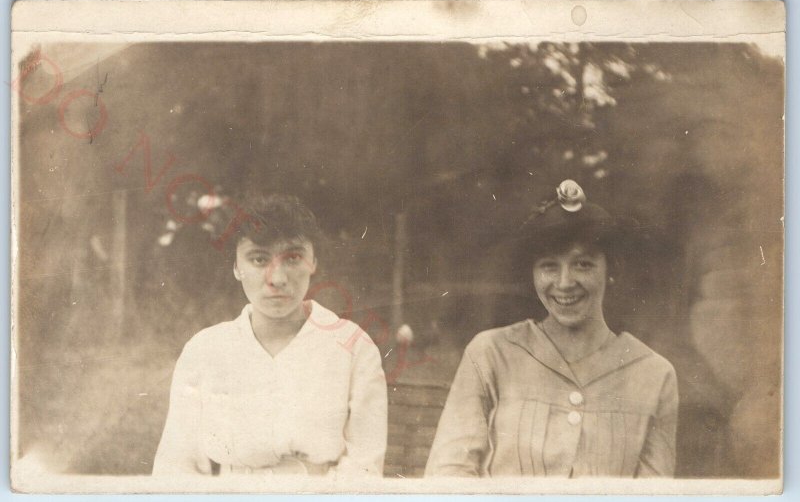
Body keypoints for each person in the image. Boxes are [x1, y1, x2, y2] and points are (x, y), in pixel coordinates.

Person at [425, 180, 678, 478]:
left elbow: (655, 494)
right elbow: (448, 478)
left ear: (612, 270)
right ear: (532, 274)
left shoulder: (652, 374)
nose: (564, 282)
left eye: (583, 264)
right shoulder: (491, 354)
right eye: (549, 266)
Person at [153, 194, 388, 476]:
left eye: (293, 258)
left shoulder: (352, 347)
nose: (277, 278)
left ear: (313, 262)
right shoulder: (206, 349)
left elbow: (364, 465)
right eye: (259, 259)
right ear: (237, 268)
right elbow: (176, 466)